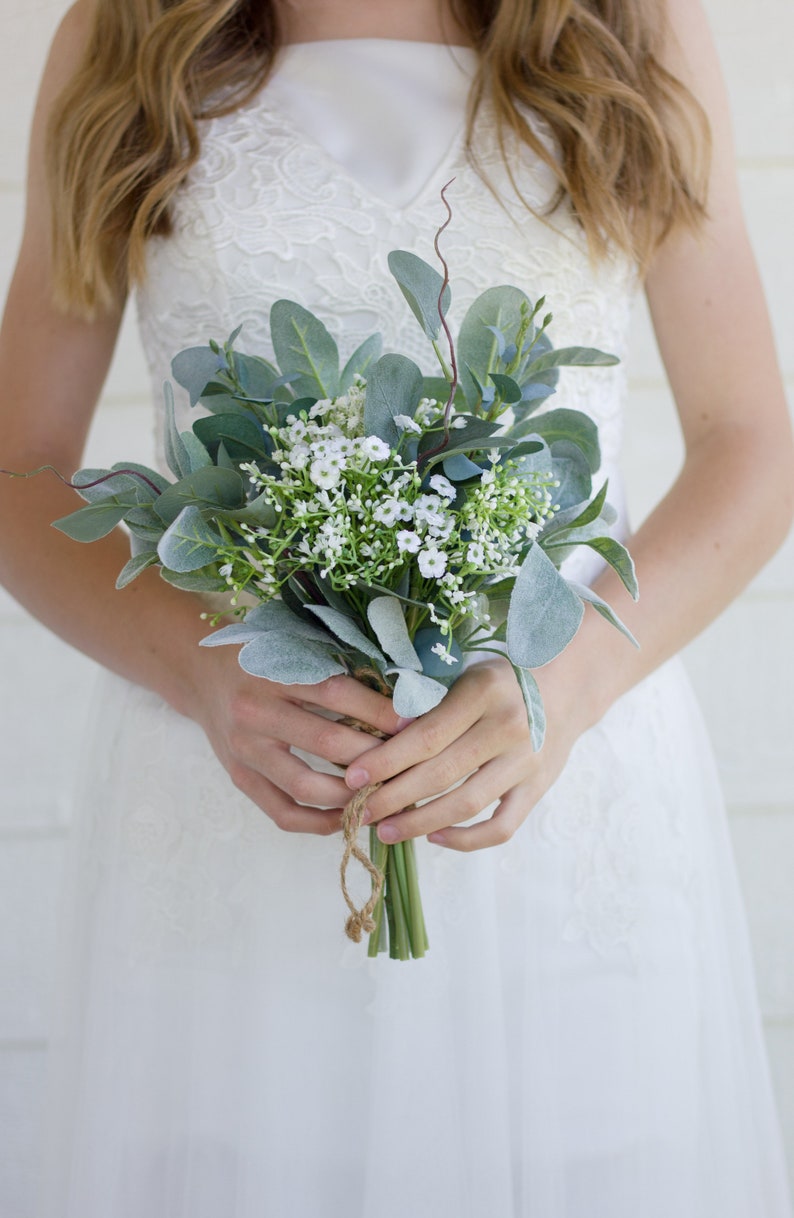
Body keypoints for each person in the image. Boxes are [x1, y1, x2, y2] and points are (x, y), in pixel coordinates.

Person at [0, 0, 792, 1215]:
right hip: (234, 802)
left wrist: (560, 687)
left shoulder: (631, 23)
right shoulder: (124, 28)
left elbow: (749, 441)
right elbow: (19, 469)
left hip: (559, 800)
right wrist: (201, 672)